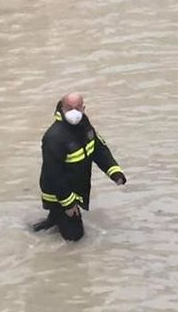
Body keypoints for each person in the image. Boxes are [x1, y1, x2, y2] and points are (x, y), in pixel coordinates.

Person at [34, 92, 127, 242]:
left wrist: (114, 172)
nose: (74, 112)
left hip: (74, 187)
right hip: (59, 194)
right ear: (62, 109)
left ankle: (49, 224)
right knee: (76, 238)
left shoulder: (84, 125)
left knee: (59, 222)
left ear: (83, 108)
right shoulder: (54, 137)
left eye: (77, 108)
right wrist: (68, 204)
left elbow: (98, 148)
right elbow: (54, 175)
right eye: (69, 108)